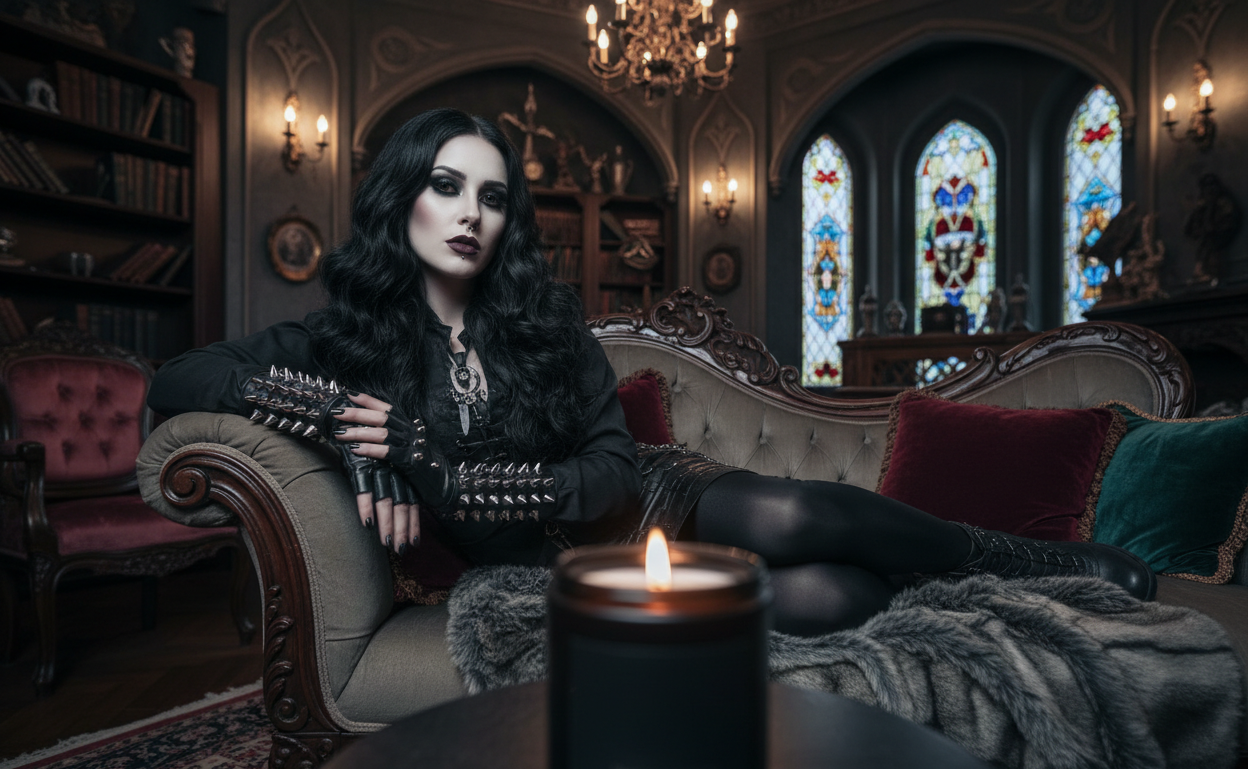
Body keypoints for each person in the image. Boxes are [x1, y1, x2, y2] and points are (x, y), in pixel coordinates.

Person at [148, 109, 1155, 637]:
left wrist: (414, 453)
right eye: (445, 186)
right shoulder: (343, 342)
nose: (469, 214)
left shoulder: (543, 322)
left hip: (652, 503)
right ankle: (962, 596)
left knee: (801, 520)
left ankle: (1041, 565)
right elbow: (182, 383)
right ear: (400, 199)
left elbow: (611, 471)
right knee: (834, 602)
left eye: (492, 197)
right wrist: (353, 434)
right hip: (551, 576)